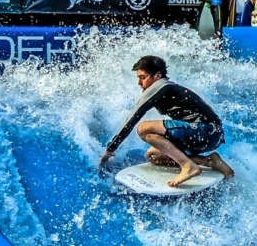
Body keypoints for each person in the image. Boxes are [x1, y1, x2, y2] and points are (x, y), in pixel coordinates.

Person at [98, 56, 234, 187]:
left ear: (157, 75)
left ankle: (188, 166)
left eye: (143, 78)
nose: (139, 83)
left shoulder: (160, 86)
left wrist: (111, 149)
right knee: (154, 155)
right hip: (211, 136)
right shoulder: (168, 88)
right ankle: (209, 161)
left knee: (144, 129)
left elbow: (132, 119)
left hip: (206, 131)